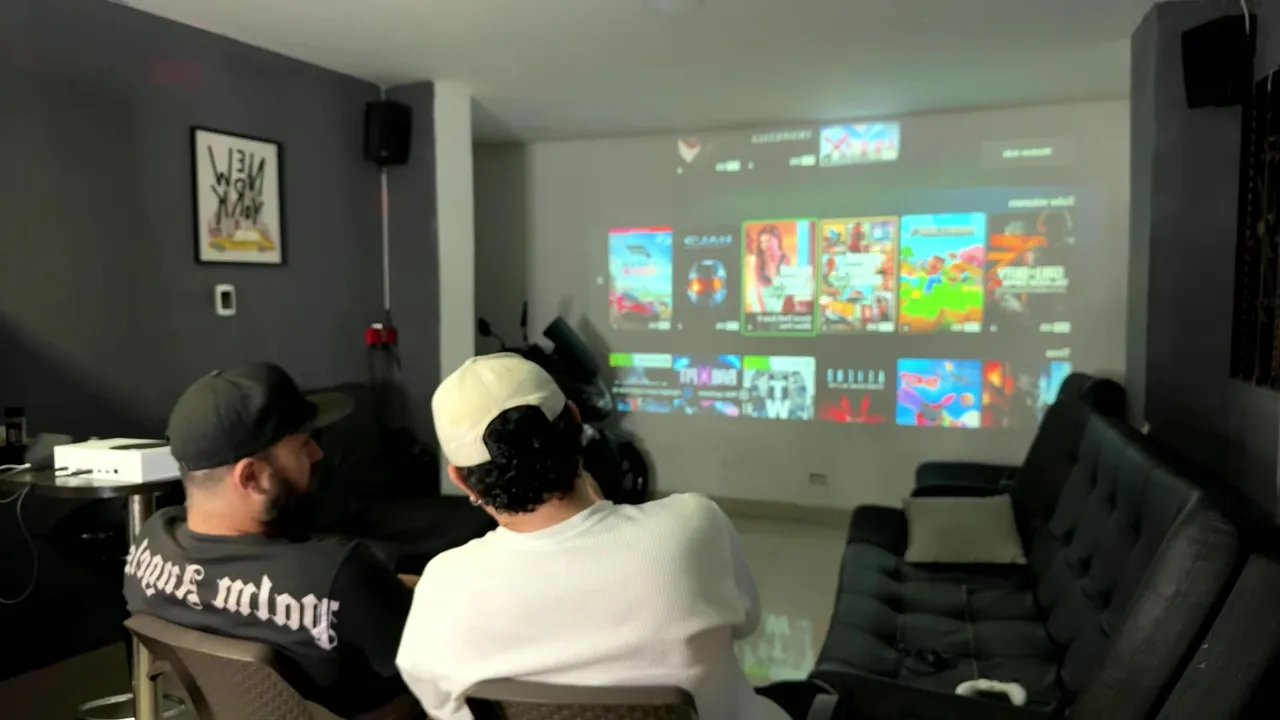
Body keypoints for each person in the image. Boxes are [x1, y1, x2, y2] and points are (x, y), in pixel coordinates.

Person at [394, 353, 797, 720]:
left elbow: (444, 707)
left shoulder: (443, 588)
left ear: (462, 479)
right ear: (575, 420)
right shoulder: (693, 526)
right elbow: (746, 623)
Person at [123, 363, 419, 717]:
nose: (317, 454)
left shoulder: (150, 541)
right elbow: (439, 668)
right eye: (303, 445)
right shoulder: (340, 575)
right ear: (251, 477)